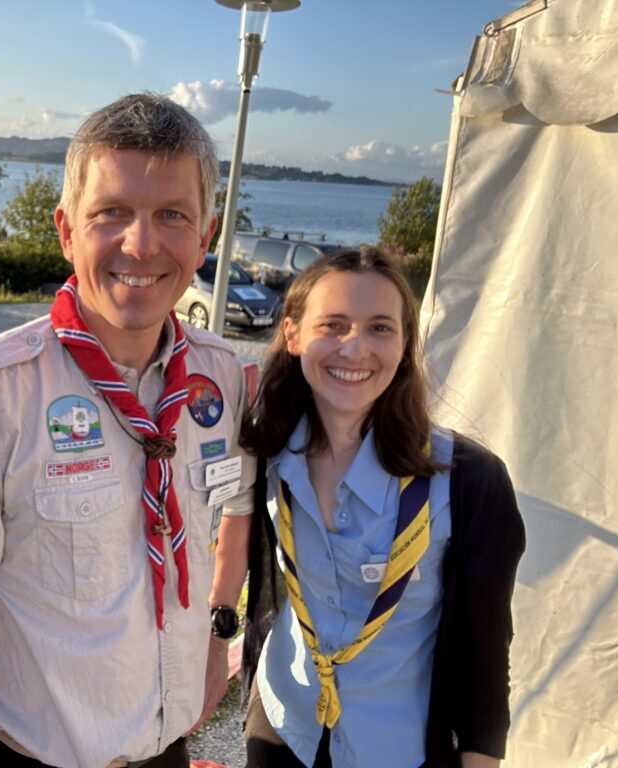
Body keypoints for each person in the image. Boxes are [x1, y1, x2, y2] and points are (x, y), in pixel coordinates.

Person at [0, 92, 255, 768]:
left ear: (205, 237)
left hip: (167, 752)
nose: (142, 244)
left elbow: (237, 506)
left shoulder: (224, 379)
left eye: (172, 216)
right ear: (66, 230)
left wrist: (219, 630)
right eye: (113, 213)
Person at [217, 247, 524, 768]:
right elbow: (224, 522)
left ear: (405, 344)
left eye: (380, 328)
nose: (355, 348)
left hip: (397, 749)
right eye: (333, 324)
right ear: (293, 335)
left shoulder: (469, 481)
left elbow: (484, 658)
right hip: (284, 728)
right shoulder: (264, 450)